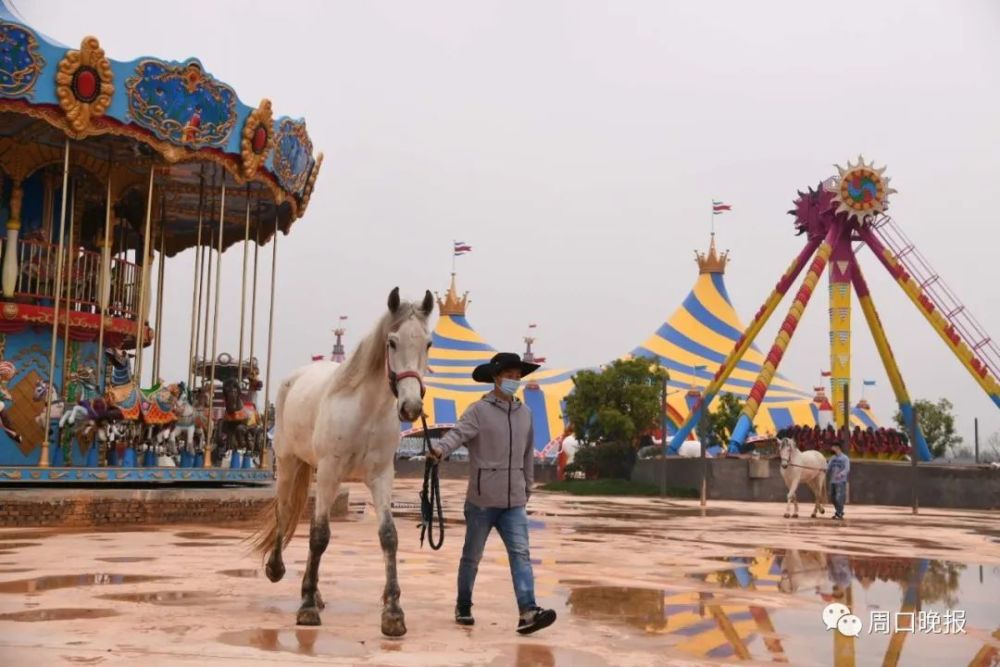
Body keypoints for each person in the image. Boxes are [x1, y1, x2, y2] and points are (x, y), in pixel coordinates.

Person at [428, 352, 557, 635]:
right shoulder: (478, 410)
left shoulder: (526, 414)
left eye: (517, 377)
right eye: (509, 376)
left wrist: (528, 486)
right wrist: (439, 450)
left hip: (514, 502)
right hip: (482, 501)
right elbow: (457, 434)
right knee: (472, 557)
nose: (514, 381)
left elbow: (527, 455)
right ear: (496, 378)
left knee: (521, 554)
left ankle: (528, 611)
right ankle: (463, 605)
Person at [827, 440, 851, 520]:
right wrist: (822, 469)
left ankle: (839, 512)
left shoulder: (845, 458)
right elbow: (828, 467)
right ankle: (839, 511)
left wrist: (840, 475)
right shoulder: (832, 458)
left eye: (832, 447)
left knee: (839, 497)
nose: (831, 449)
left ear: (837, 448)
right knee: (832, 498)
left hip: (841, 481)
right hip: (832, 481)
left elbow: (847, 469)